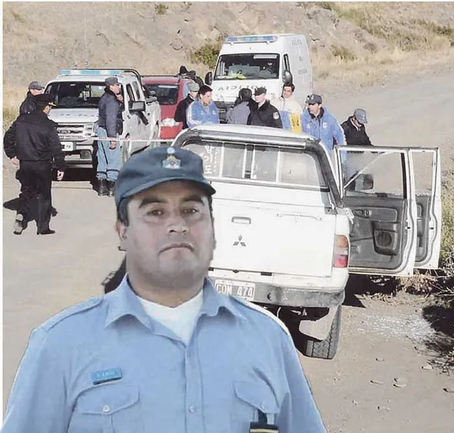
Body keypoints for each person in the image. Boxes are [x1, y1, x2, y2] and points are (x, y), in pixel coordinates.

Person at [2, 146, 328, 433]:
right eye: (155, 212)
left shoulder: (268, 340)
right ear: (123, 232)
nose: (177, 224)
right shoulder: (60, 346)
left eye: (191, 210)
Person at [3, 94, 66, 235]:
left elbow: (8, 137)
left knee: (26, 191)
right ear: (46, 107)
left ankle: (21, 216)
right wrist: (61, 166)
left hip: (25, 163)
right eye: (50, 107)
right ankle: (43, 227)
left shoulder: (21, 120)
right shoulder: (48, 124)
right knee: (44, 195)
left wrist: (12, 154)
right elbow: (56, 147)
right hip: (42, 164)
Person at [96, 76, 124, 197]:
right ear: (111, 86)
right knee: (113, 159)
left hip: (101, 130)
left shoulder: (104, 97)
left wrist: (121, 101)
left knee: (102, 158)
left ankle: (102, 187)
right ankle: (112, 187)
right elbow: (111, 119)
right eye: (117, 85)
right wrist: (112, 137)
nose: (118, 86)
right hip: (109, 131)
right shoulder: (112, 100)